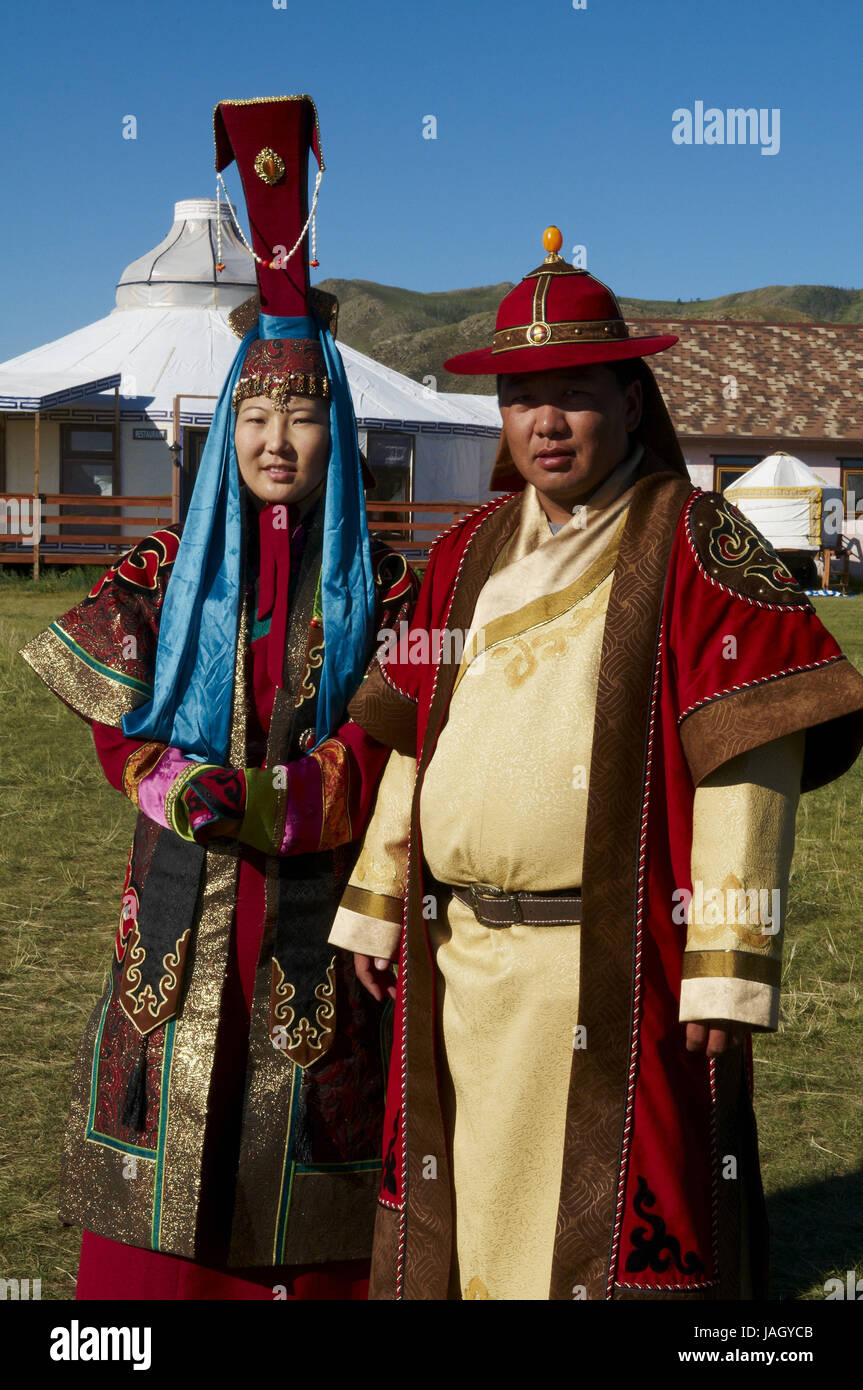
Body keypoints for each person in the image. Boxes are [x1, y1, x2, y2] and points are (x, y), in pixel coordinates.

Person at [327, 226, 863, 1301]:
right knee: (465, 1213)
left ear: (628, 399)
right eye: (522, 396)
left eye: (573, 391)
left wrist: (727, 956)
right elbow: (410, 741)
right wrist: (375, 897)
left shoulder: (700, 545)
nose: (545, 419)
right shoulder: (461, 555)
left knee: (608, 1238)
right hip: (460, 961)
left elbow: (749, 762)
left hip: (617, 964)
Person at [19, 94, 418, 1300]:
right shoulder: (163, 569)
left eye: (300, 412)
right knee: (166, 1132)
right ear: (228, 428)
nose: (276, 436)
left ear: (335, 427)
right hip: (179, 903)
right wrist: (161, 775)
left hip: (314, 905)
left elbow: (407, 739)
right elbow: (104, 702)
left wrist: (292, 799)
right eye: (254, 414)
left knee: (302, 1122)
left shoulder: (394, 590)